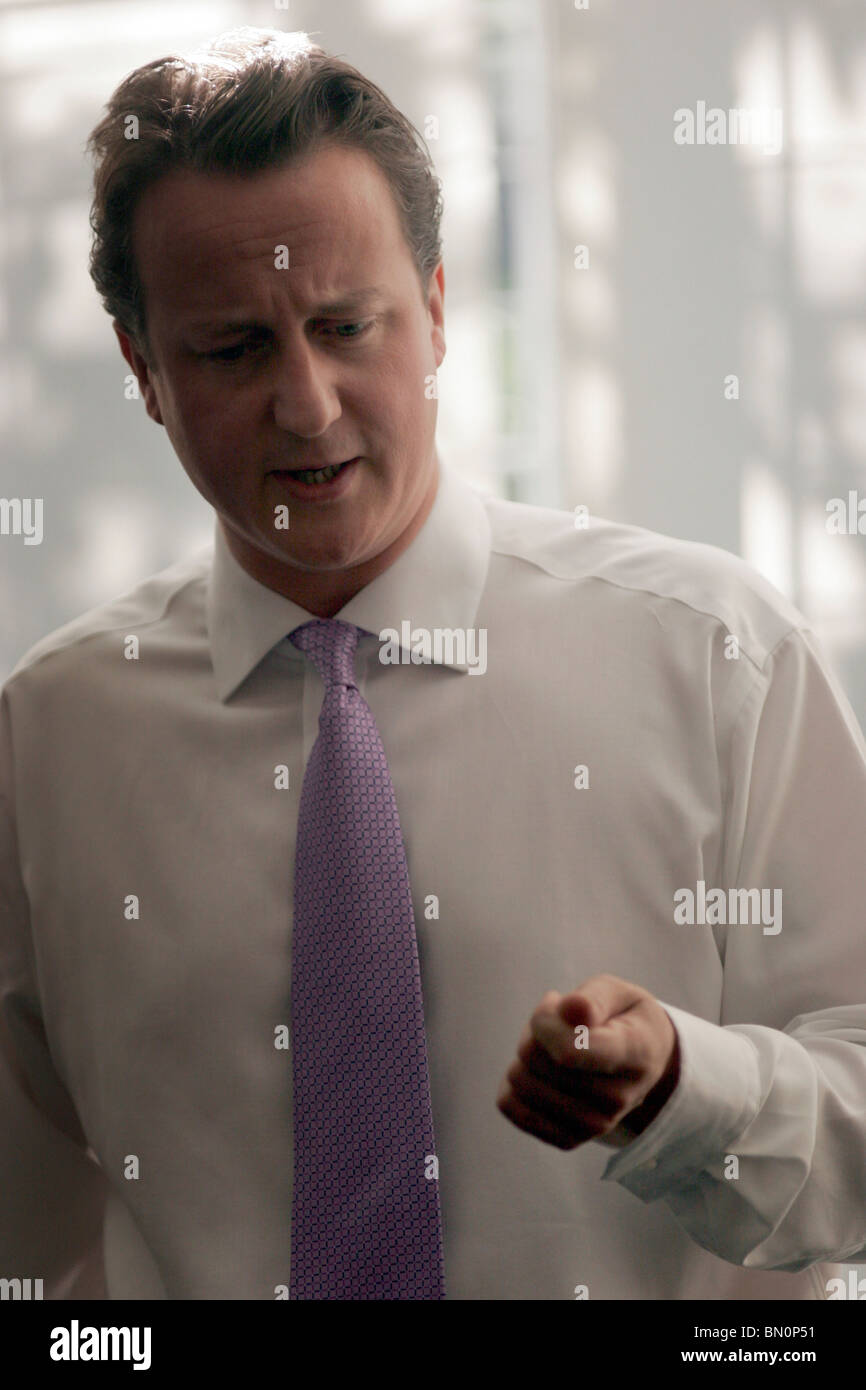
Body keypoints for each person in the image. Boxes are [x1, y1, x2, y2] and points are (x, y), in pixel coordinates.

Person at [1, 25, 865, 1302]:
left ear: (441, 306)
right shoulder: (50, 738)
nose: (307, 403)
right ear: (141, 369)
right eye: (233, 349)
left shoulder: (715, 657)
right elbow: (30, 1235)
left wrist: (685, 1089)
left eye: (347, 324)